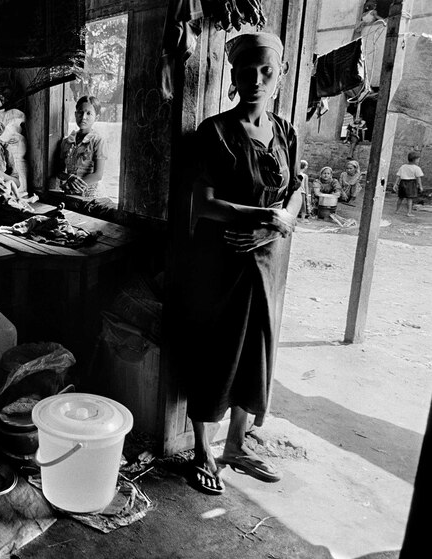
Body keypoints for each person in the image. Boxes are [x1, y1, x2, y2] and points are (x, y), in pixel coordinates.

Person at [176, 32, 302, 495]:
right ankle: (203, 449)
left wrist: (278, 221)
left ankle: (236, 444)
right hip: (219, 263)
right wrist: (262, 215)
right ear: (233, 74)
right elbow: (204, 204)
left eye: (266, 71)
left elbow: (296, 191)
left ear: (280, 75)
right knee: (216, 351)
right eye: (246, 70)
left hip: (267, 262)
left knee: (256, 351)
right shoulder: (215, 131)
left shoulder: (285, 131)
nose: (255, 79)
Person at [55, 95, 107, 198]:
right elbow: (59, 171)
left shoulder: (98, 140)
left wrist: (72, 186)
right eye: (80, 112)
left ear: (96, 117)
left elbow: (98, 175)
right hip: (71, 195)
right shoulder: (67, 141)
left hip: (91, 195)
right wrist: (69, 177)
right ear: (75, 114)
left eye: (89, 113)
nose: (83, 117)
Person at [394, 151, 424, 217]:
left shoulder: (403, 166)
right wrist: (420, 186)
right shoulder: (417, 168)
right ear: (414, 160)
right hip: (411, 184)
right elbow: (418, 178)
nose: (418, 161)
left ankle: (397, 210)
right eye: (418, 159)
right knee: (409, 199)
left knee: (400, 197)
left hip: (402, 183)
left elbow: (398, 176)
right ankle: (409, 213)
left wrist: (395, 184)